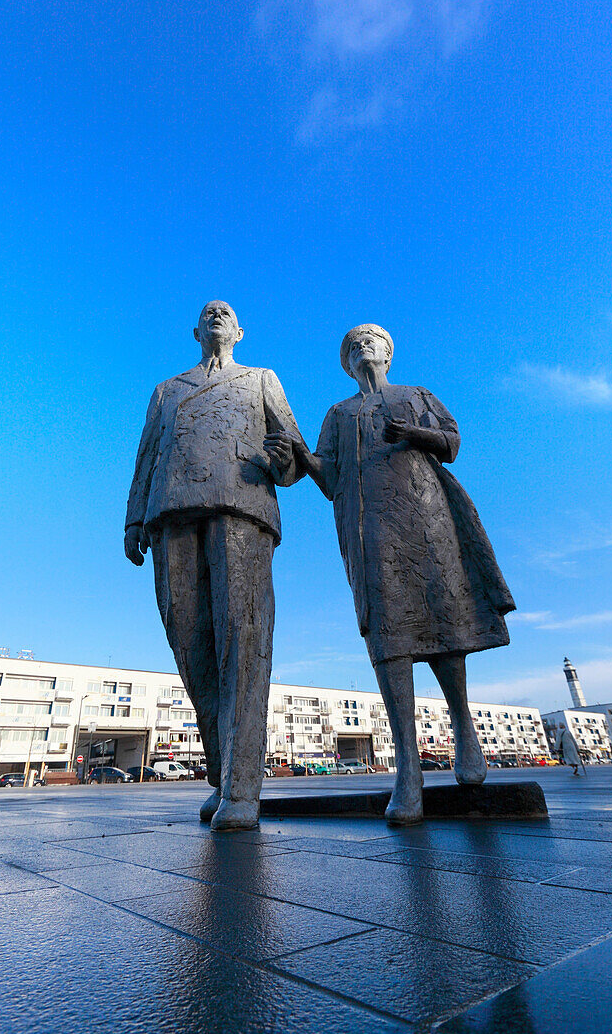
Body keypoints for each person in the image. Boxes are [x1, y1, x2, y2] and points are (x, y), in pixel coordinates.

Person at [265, 324, 515, 823]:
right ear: (347, 362)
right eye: (352, 345)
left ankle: (463, 724)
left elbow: (452, 442)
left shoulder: (417, 395)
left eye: (370, 341)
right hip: (370, 525)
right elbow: (331, 480)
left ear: (388, 352)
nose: (362, 348)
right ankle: (408, 768)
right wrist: (296, 453)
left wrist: (415, 434)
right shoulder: (339, 413)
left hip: (427, 513)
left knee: (444, 618)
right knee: (388, 629)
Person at [125, 301, 303, 830]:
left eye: (227, 313)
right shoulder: (167, 390)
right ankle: (224, 774)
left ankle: (243, 786)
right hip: (170, 509)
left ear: (241, 331)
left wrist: (283, 460)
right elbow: (146, 456)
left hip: (241, 502)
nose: (219, 314)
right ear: (195, 330)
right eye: (209, 312)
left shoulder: (261, 378)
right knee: (189, 638)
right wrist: (134, 519)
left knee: (242, 637)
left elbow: (290, 450)